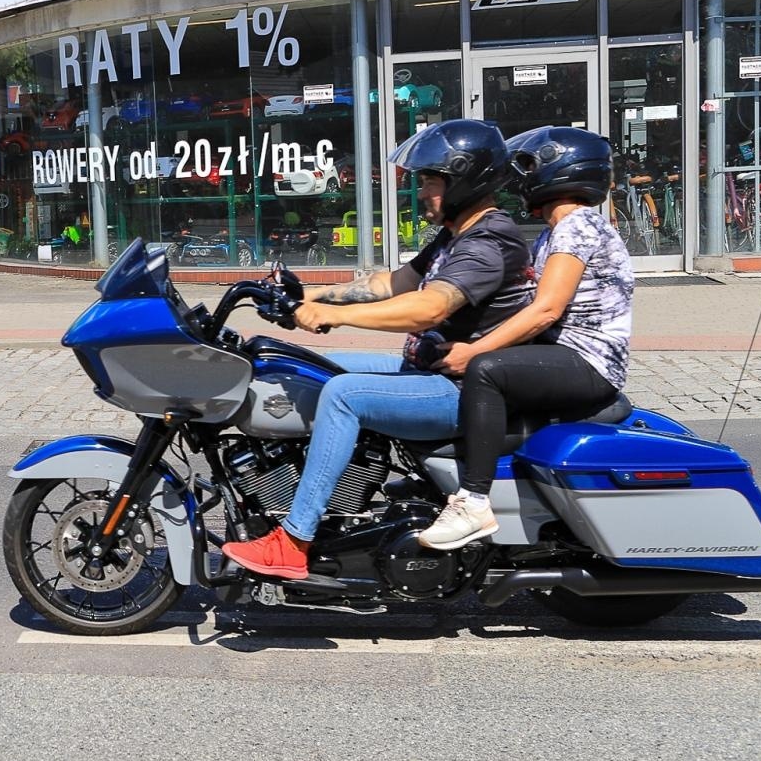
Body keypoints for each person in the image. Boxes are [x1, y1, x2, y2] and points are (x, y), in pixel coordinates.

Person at [223, 119, 533, 581]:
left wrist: (335, 316)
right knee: (301, 367)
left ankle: (294, 539)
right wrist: (307, 299)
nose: (424, 191)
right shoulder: (457, 235)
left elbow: (427, 307)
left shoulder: (490, 242)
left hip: (461, 389)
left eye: (432, 181)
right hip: (425, 370)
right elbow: (393, 283)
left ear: (467, 182)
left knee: (343, 394)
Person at [418, 126, 632, 549]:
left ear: (560, 169)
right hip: (562, 353)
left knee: (487, 370)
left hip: (587, 361)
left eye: (528, 165)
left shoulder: (576, 224)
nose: (518, 176)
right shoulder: (558, 229)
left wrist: (476, 349)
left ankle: (473, 502)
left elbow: (547, 309)